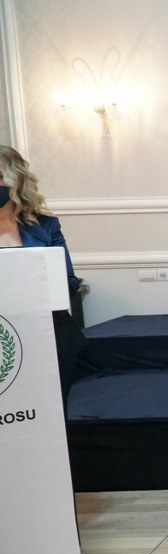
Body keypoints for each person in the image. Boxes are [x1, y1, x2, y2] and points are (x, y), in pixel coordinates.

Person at [0, 145, 85, 412]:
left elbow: (69, 282)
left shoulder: (46, 225)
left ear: (15, 180)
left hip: (47, 333)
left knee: (52, 412)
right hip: (4, 336)